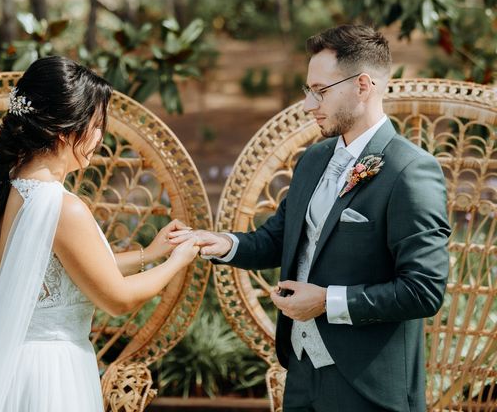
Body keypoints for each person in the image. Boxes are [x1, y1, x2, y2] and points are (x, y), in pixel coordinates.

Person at [170, 25, 450, 411]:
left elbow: (423, 290)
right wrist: (223, 243)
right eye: (308, 90)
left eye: (320, 91)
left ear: (363, 85)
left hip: (369, 388)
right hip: (301, 374)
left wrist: (326, 302)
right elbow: (278, 239)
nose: (308, 104)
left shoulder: (411, 171)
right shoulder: (315, 160)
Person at [0, 56, 199, 412]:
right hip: (50, 375)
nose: (100, 137)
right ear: (65, 131)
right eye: (96, 125)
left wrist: (151, 252)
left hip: (8, 368)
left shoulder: (13, 189)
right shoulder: (63, 207)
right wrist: (178, 261)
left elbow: (64, 272)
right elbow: (118, 299)